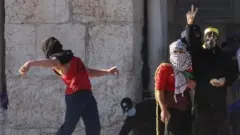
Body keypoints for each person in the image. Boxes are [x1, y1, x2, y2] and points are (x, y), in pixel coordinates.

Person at [18, 37, 119, 135]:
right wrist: (30, 63)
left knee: (94, 127)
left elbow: (89, 72)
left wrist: (107, 71)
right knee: (68, 128)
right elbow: (51, 62)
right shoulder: (58, 61)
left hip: (88, 95)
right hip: (76, 97)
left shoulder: (69, 57)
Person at [185, 5, 236, 135]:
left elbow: (232, 73)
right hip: (202, 104)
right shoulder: (199, 54)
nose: (211, 39)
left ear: (218, 39)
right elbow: (192, 43)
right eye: (208, 36)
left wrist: (225, 81)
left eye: (214, 36)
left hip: (219, 104)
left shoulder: (224, 55)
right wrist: (190, 25)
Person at [155, 39, 196, 135]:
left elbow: (193, 82)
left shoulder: (188, 67)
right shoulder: (165, 68)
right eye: (175, 52)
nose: (178, 54)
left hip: (185, 109)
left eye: (181, 52)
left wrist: (192, 83)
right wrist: (163, 109)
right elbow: (159, 90)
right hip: (171, 110)